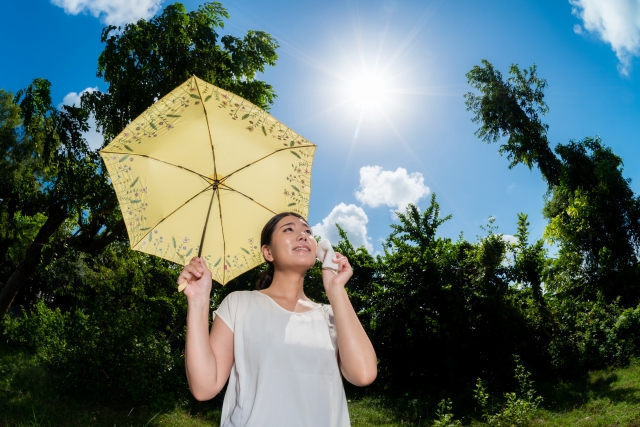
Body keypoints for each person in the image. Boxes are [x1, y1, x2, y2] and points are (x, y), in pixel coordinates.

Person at [179, 212, 377, 426]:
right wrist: (198, 301)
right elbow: (204, 387)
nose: (303, 235)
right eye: (289, 229)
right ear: (268, 252)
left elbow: (363, 374)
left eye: (308, 231)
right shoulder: (239, 304)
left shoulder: (331, 315)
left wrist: (336, 289)